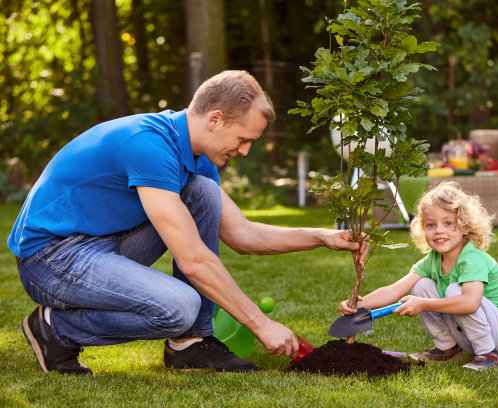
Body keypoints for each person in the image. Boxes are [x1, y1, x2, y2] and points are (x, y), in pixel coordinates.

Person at [9, 70, 368, 375]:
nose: (244, 151)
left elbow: (243, 235)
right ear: (215, 120)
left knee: (203, 193)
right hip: (51, 259)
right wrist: (260, 323)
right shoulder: (149, 145)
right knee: (179, 306)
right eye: (243, 140)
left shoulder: (196, 157)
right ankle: (56, 328)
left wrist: (322, 236)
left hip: (101, 244)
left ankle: (189, 344)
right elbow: (194, 260)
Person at [338, 182, 498, 371]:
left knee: (454, 290)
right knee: (421, 285)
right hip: (470, 334)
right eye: (431, 225)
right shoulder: (432, 260)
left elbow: (470, 303)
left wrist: (422, 304)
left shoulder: (472, 258)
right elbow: (395, 289)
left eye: (448, 223)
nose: (439, 230)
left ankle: (490, 356)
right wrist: (358, 305)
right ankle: (447, 349)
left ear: (465, 227)